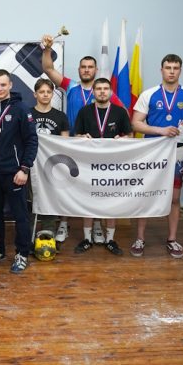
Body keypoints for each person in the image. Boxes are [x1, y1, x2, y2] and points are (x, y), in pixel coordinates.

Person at [41, 35, 120, 243]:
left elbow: (122, 115)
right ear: (78, 70)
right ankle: (63, 223)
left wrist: (118, 135)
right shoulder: (71, 86)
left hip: (97, 147)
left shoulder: (104, 91)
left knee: (95, 186)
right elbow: (48, 69)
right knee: (66, 184)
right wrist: (47, 49)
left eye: (90, 67)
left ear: (96, 70)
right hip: (72, 143)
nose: (86, 70)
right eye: (83, 67)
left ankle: (97, 224)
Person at [130, 54, 183, 258]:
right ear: (161, 70)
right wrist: (160, 130)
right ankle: (140, 238)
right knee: (145, 195)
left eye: (175, 68)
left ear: (180, 71)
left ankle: (172, 239)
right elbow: (136, 123)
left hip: (177, 151)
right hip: (152, 151)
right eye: (168, 67)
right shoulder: (149, 94)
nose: (171, 71)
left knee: (175, 198)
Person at [0, 69, 38, 273]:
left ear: (10, 85)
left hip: (14, 173)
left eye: (3, 84)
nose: (0, 88)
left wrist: (24, 169)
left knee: (20, 215)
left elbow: (31, 140)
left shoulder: (22, 109)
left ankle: (22, 253)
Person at [73, 78, 132, 256]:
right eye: (98, 88)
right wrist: (82, 138)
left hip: (112, 164)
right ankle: (87, 238)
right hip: (88, 163)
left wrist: (122, 139)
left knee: (110, 201)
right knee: (88, 199)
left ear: (111, 91)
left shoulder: (120, 112)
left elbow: (130, 135)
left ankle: (110, 239)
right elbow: (76, 135)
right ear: (93, 91)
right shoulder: (84, 111)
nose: (102, 92)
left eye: (105, 88)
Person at [30, 79, 70, 242]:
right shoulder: (27, 115)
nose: (45, 95)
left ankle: (49, 232)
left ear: (53, 94)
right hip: (31, 163)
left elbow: (65, 144)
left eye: (48, 92)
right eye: (41, 92)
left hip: (51, 164)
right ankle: (30, 233)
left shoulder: (60, 116)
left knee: (50, 197)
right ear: (35, 94)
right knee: (30, 198)